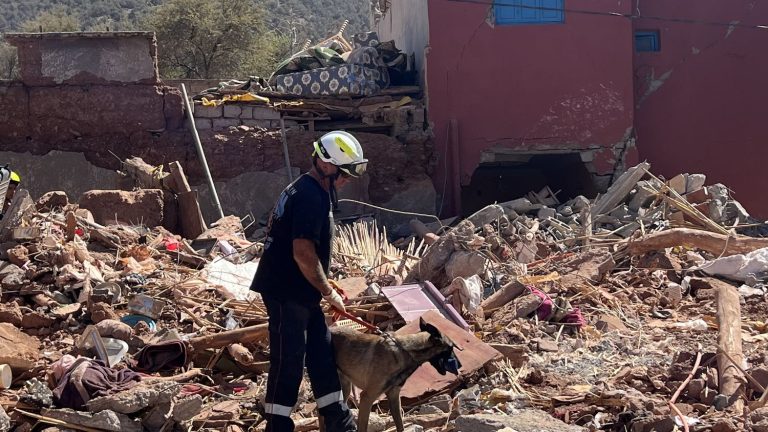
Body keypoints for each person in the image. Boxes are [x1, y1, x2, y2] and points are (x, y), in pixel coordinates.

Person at [250, 131, 368, 432]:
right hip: (286, 290)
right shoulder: (310, 197)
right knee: (289, 359)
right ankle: (277, 425)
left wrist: (325, 285)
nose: (347, 181)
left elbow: (310, 252)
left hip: (302, 290)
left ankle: (337, 419)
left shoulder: (310, 189)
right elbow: (302, 252)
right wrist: (327, 291)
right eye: (345, 174)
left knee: (321, 350)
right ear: (327, 165)